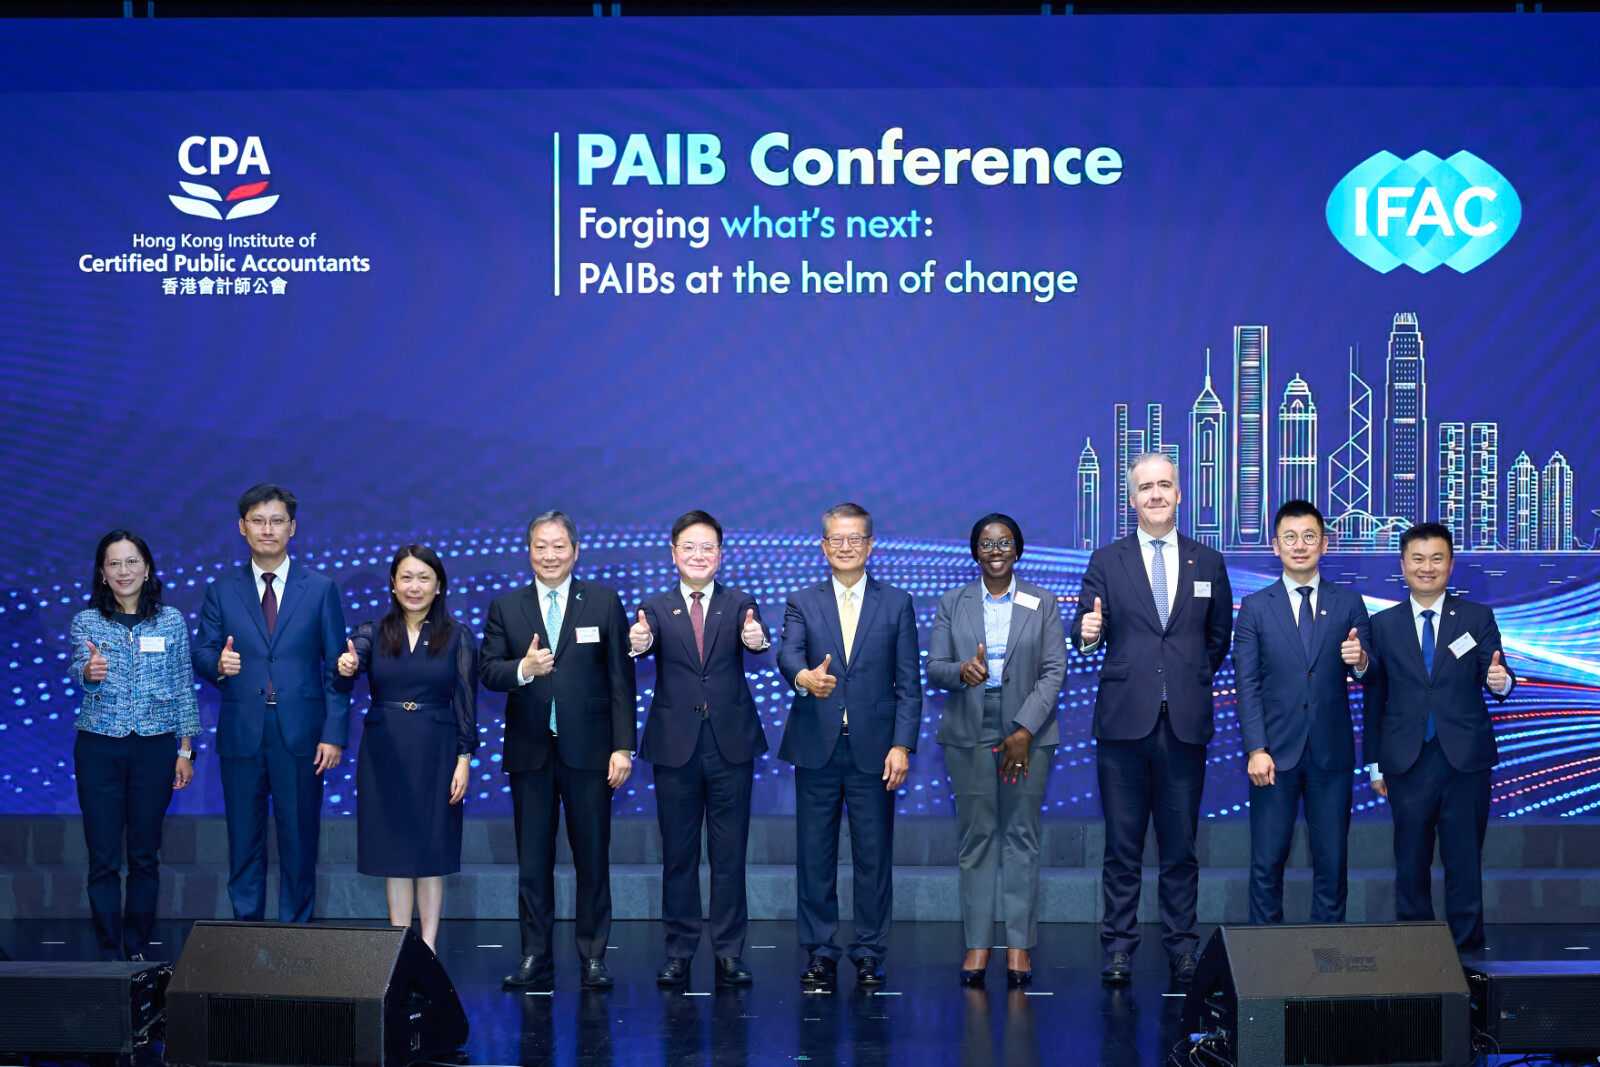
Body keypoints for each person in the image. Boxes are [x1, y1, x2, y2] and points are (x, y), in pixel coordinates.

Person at [1070, 453, 1232, 985]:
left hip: (1184, 723)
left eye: (1165, 485)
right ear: (1132, 499)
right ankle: (1118, 948)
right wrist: (1089, 634)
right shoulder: (1107, 559)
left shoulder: (1207, 562)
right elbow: (1085, 628)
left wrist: (1183, 679)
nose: (1156, 494)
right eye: (1146, 487)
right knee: (1122, 846)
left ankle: (1182, 947)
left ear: (1180, 494)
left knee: (1180, 847)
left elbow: (1217, 640)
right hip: (1122, 724)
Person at [481, 510, 635, 990]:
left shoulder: (604, 602)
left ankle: (592, 955)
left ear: (575, 549)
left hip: (590, 753)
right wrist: (523, 669)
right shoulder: (506, 607)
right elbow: (488, 671)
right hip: (530, 752)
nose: (550, 555)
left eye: (559, 546)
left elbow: (620, 681)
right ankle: (535, 956)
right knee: (533, 861)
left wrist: (623, 747)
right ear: (528, 551)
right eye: (541, 546)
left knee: (592, 859)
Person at [777, 503, 921, 988]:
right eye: (836, 539)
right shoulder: (802, 599)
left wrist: (903, 745)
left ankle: (868, 951)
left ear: (870, 545)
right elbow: (789, 652)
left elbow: (909, 683)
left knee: (873, 858)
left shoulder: (897, 602)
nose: (845, 547)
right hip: (816, 747)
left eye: (854, 539)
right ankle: (819, 951)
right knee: (814, 856)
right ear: (823, 546)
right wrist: (802, 677)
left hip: (876, 752)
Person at [193, 484, 349, 923]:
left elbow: (339, 667)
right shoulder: (221, 591)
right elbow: (202, 653)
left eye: (277, 520)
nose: (268, 529)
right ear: (242, 527)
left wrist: (334, 733)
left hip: (301, 734)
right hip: (243, 732)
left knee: (300, 842)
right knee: (244, 840)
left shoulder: (319, 589)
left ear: (293, 528)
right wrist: (218, 664)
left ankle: (295, 936)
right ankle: (247, 934)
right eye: (258, 520)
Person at [631, 510, 770, 987]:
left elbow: (756, 639)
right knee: (679, 856)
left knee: (730, 856)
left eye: (707, 547)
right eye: (688, 547)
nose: (698, 555)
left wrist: (756, 640)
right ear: (673, 553)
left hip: (730, 744)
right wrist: (637, 645)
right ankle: (679, 951)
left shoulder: (740, 603)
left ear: (720, 555)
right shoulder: (653, 606)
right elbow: (641, 645)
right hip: (675, 747)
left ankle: (730, 951)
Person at [927, 514, 1066, 988]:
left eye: (1005, 542)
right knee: (978, 839)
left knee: (1021, 837)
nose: (996, 549)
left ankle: (1020, 947)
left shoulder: (1043, 602)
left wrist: (1025, 727)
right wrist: (960, 671)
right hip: (969, 728)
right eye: (986, 543)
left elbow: (1053, 671)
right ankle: (978, 944)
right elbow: (935, 668)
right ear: (975, 551)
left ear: (1018, 549)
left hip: (1029, 728)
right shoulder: (953, 602)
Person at [1365, 522, 1514, 951]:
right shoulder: (1384, 624)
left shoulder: (1476, 617)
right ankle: (1416, 956)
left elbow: (1497, 672)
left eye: (1436, 559)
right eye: (1418, 558)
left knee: (1464, 862)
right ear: (1403, 565)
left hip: (1464, 760)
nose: (1427, 567)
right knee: (1410, 864)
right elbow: (1376, 696)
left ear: (1450, 565)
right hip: (1406, 761)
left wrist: (1500, 680)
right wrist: (1375, 763)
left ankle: (1468, 958)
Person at [1233, 500, 1371, 926]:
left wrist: (1360, 660)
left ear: (1324, 544)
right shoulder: (1255, 607)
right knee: (1267, 862)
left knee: (1332, 866)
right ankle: (1264, 967)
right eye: (1290, 537)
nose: (1300, 545)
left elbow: (1368, 672)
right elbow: (1248, 684)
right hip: (1274, 755)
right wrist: (1256, 747)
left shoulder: (1349, 603)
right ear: (1275, 545)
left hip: (1331, 754)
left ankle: (1328, 964)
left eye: (1309, 536)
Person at [335, 545, 477, 953]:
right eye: (406, 578)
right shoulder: (371, 631)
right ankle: (399, 944)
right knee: (394, 849)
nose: (415, 586)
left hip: (438, 748)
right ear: (393, 585)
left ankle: (427, 948)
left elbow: (466, 703)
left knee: (431, 848)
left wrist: (464, 759)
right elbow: (348, 671)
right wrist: (345, 668)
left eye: (424, 578)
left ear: (438, 586)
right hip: (384, 749)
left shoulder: (458, 635)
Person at [69, 530, 199, 961]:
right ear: (102, 573)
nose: (123, 571)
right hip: (99, 749)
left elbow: (183, 685)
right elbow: (77, 670)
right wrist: (89, 672)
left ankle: (137, 950)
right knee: (103, 858)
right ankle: (109, 954)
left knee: (145, 856)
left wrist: (185, 751)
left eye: (132, 562)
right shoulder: (87, 621)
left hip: (155, 748)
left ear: (147, 568)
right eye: (114, 563)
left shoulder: (171, 620)